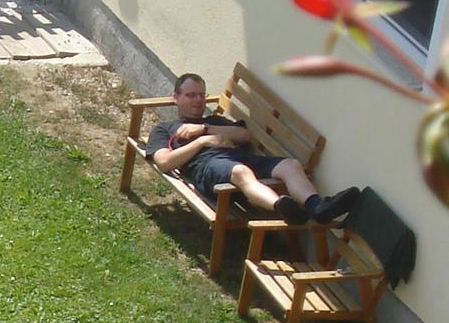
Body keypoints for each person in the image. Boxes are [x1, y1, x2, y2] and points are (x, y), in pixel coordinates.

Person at [147, 73, 361, 226]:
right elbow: (164, 162)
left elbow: (244, 135)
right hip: (207, 166)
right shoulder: (165, 129)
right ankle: (282, 207)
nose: (198, 100)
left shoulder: (214, 120)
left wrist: (204, 128)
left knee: (291, 165)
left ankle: (317, 206)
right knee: (241, 172)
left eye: (201, 95)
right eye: (191, 95)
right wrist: (202, 142)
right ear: (176, 97)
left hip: (239, 157)